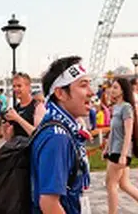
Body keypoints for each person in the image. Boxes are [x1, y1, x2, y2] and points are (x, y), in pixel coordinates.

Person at [30, 56, 93, 214]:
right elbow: (49, 204)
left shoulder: (60, 129)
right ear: (60, 93)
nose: (91, 92)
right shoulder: (58, 137)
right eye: (83, 85)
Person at [102, 78, 138, 214]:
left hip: (121, 152)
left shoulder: (127, 108)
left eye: (116, 87)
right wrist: (106, 148)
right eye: (112, 87)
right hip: (114, 150)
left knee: (110, 184)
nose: (112, 90)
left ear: (123, 90)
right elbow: (113, 131)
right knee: (124, 184)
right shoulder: (116, 107)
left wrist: (123, 155)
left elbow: (128, 133)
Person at [4, 73, 46, 139]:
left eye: (19, 86)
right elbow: (8, 138)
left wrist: (17, 118)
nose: (15, 89)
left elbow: (39, 135)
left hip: (32, 148)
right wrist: (5, 128)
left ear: (28, 87)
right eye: (14, 86)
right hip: (18, 148)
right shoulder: (16, 108)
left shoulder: (38, 106)